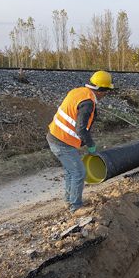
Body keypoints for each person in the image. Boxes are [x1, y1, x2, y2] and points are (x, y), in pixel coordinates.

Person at [47, 70, 113, 212]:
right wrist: (90, 145)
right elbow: (81, 129)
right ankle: (75, 207)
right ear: (101, 90)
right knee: (79, 173)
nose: (106, 95)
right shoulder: (88, 102)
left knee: (71, 171)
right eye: (106, 91)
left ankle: (69, 200)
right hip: (61, 142)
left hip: (56, 136)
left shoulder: (79, 92)